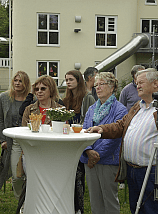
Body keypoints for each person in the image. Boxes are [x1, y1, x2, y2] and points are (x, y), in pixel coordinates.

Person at [86, 68, 158, 214]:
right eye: (137, 83)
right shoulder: (139, 105)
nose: (138, 86)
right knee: (136, 208)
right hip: (132, 169)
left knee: (152, 209)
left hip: (152, 170)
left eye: (141, 82)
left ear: (155, 83)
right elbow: (121, 125)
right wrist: (102, 129)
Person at [80, 72, 128, 214]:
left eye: (102, 84)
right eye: (96, 85)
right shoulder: (91, 109)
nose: (98, 88)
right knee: (95, 200)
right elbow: (84, 130)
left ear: (112, 87)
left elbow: (115, 136)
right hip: (89, 159)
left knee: (109, 200)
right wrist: (88, 151)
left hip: (108, 160)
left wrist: (97, 155)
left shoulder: (120, 109)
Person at [62, 70, 95, 214]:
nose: (68, 82)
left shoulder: (87, 98)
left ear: (79, 81)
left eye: (71, 79)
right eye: (66, 80)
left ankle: (79, 208)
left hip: (81, 141)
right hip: (67, 140)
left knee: (79, 176)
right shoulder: (66, 99)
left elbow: (92, 119)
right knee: (69, 176)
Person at [0, 71, 31, 200]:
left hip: (28, 139)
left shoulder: (31, 98)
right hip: (13, 141)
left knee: (29, 173)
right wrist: (3, 140)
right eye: (15, 80)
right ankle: (20, 201)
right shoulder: (4, 97)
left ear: (26, 83)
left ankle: (29, 199)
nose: (17, 83)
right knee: (16, 176)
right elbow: (0, 120)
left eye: (20, 81)